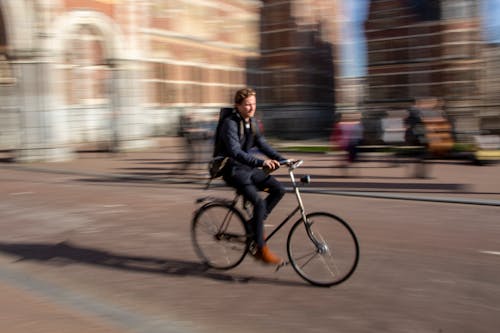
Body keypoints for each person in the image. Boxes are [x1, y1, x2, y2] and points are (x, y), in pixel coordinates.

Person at [216, 87, 287, 265]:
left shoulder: (252, 122)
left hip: (247, 168)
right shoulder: (230, 123)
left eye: (253, 104)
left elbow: (262, 145)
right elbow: (235, 152)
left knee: (279, 189)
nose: (251, 108)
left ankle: (252, 224)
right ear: (237, 105)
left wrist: (283, 160)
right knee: (259, 203)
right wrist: (261, 163)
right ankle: (261, 249)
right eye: (247, 104)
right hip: (232, 170)